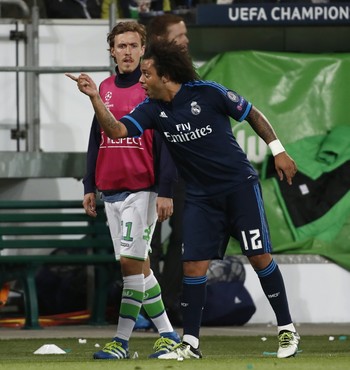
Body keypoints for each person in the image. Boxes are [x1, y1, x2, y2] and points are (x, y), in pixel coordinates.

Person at [67, 39, 300, 359]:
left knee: (259, 257)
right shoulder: (151, 109)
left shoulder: (208, 92)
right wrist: (95, 98)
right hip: (201, 197)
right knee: (192, 266)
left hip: (239, 188)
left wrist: (278, 151)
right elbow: (118, 131)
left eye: (147, 74)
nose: (142, 80)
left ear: (165, 75)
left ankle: (287, 330)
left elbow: (252, 114)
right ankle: (189, 343)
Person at [80, 22, 180, 360]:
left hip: (144, 189)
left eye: (133, 46)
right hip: (111, 190)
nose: (126, 51)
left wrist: (165, 189)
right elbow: (97, 138)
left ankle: (121, 342)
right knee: (140, 266)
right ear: (111, 50)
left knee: (129, 265)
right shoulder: (105, 87)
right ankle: (168, 335)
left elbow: (167, 143)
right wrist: (89, 184)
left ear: (142, 49)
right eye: (120, 46)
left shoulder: (150, 87)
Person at [146, 13, 189, 325]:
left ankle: (169, 302)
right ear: (161, 41)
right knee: (149, 241)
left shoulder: (187, 75)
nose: (186, 41)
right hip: (149, 172)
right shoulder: (145, 75)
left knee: (184, 237)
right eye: (179, 36)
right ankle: (151, 308)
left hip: (182, 169)